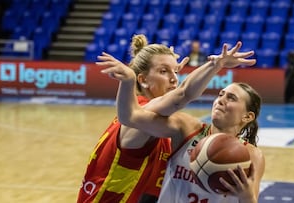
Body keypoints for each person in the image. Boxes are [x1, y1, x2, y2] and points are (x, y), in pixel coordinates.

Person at [77, 34, 256, 203]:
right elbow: (184, 94)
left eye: (176, 72)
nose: (173, 79)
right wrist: (217, 64)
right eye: (164, 71)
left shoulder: (159, 121)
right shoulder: (142, 113)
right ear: (143, 80)